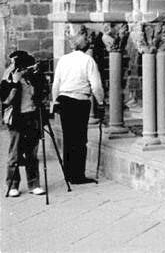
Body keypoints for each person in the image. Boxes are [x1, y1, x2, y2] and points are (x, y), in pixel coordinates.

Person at [51, 35, 104, 184]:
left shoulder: (63, 59)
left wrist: (54, 101)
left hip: (64, 100)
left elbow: (56, 83)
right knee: (80, 139)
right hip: (79, 101)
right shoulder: (88, 60)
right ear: (87, 47)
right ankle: (78, 175)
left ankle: (69, 173)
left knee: (68, 138)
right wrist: (100, 101)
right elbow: (96, 85)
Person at [2, 51, 47, 197]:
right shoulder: (8, 78)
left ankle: (34, 184)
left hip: (32, 117)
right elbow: (5, 101)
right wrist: (15, 83)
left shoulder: (31, 77)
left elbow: (41, 94)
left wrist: (38, 77)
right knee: (15, 154)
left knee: (32, 154)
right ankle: (12, 184)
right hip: (16, 119)